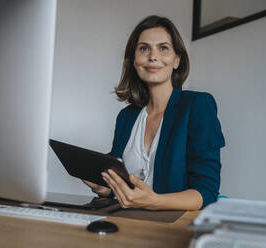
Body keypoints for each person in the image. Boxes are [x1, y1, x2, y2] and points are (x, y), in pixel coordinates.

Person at [83, 15, 225, 210]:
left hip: (174, 227)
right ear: (134, 60)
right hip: (128, 222)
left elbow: (207, 192)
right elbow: (121, 180)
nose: (153, 56)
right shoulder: (126, 117)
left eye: (163, 48)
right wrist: (104, 188)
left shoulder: (198, 105)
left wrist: (154, 202)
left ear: (177, 60)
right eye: (144, 48)